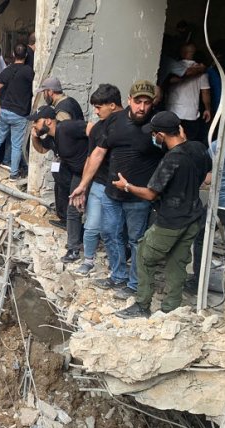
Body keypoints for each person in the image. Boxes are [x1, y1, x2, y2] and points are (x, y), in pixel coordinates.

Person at [70, 80, 164, 300]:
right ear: (129, 100)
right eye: (138, 101)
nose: (142, 107)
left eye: (147, 103)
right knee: (110, 234)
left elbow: (176, 148)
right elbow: (98, 154)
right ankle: (118, 275)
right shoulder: (114, 121)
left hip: (138, 197)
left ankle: (133, 283)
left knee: (136, 240)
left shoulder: (158, 124)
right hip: (112, 194)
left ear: (153, 103)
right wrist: (83, 186)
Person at [113, 111, 211, 318]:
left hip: (171, 220)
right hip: (193, 216)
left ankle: (142, 305)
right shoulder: (198, 148)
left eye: (154, 133)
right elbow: (206, 176)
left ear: (161, 135)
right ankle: (171, 307)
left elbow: (150, 193)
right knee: (178, 262)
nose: (153, 137)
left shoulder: (171, 159)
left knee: (144, 255)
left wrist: (127, 186)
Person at [188, 101, 225, 289]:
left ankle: (198, 280)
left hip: (218, 203)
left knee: (200, 239)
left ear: (222, 118)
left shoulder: (217, 145)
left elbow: (206, 178)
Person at [29, 105, 88, 262]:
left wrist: (96, 154)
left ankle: (77, 248)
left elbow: (92, 129)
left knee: (82, 209)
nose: (33, 125)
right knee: (73, 208)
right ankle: (74, 247)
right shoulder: (51, 137)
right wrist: (34, 136)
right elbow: (41, 150)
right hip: (78, 174)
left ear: (48, 121)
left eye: (36, 121)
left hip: (92, 172)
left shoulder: (67, 127)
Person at [75, 84, 123, 276]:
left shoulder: (128, 125)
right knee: (92, 226)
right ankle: (88, 260)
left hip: (120, 187)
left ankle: (117, 266)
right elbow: (90, 158)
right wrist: (83, 187)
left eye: (98, 107)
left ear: (112, 105)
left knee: (115, 230)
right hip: (99, 184)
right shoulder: (97, 129)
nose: (95, 111)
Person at [0, 44, 34, 180]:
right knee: (16, 145)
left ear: (13, 55)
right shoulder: (29, 72)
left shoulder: (7, 71)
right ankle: (14, 174)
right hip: (20, 114)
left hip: (4, 110)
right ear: (26, 56)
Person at [37, 77, 83, 230]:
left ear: (50, 92)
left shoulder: (62, 110)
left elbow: (62, 131)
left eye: (44, 92)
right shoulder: (70, 102)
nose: (44, 95)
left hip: (68, 159)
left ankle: (68, 222)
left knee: (65, 188)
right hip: (70, 156)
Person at [164, 43, 211, 142]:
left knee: (170, 142)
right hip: (191, 114)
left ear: (182, 53)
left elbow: (166, 82)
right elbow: (205, 92)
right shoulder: (201, 71)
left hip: (172, 112)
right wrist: (207, 109)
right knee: (188, 143)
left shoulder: (173, 67)